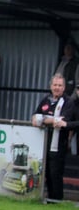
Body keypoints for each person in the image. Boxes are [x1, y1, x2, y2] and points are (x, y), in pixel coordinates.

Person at [31, 74, 78, 203]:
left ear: (64, 87)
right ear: (50, 86)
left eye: (60, 85)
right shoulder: (46, 99)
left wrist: (44, 119)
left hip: (58, 144)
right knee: (43, 172)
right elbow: (34, 118)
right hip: (42, 143)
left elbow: (62, 121)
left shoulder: (68, 102)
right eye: (55, 85)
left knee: (55, 174)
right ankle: (42, 198)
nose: (57, 88)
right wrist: (48, 120)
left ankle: (56, 201)